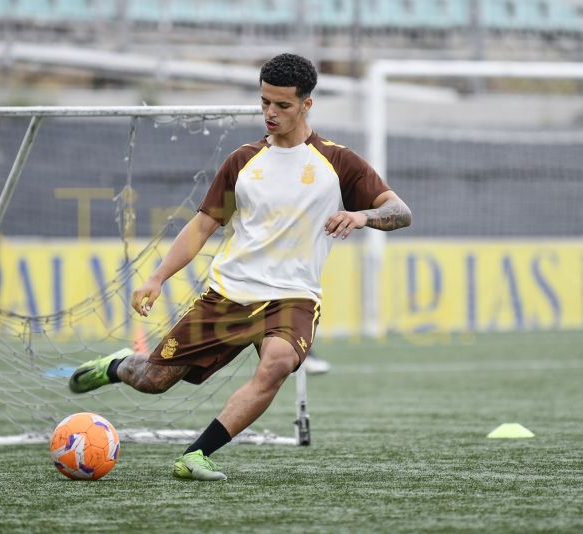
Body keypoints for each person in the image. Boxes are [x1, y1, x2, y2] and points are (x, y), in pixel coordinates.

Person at [69, 53, 411, 481]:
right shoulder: (243, 162)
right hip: (229, 295)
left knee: (278, 363)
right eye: (264, 101)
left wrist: (362, 216)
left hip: (293, 297)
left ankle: (196, 455)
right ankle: (120, 365)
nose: (270, 112)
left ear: (307, 104)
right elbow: (201, 228)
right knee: (153, 380)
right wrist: (157, 278)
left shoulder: (337, 163)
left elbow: (400, 211)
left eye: (282, 105)